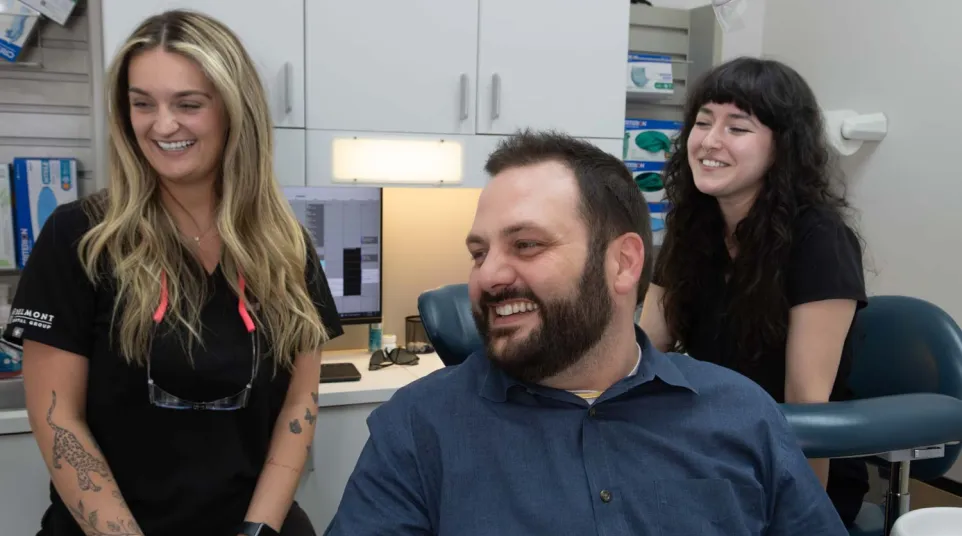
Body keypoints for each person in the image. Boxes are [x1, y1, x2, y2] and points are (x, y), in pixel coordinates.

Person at [324, 130, 847, 535]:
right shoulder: (419, 430)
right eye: (479, 253)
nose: (487, 276)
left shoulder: (740, 414)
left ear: (623, 264)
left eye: (526, 244)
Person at [4, 9, 342, 536]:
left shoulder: (285, 246)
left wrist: (259, 530)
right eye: (143, 104)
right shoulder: (79, 239)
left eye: (188, 104)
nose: (162, 125)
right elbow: (57, 421)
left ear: (234, 110)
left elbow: (300, 403)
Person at [639, 56, 870, 527]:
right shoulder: (692, 229)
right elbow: (641, 352)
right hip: (705, 444)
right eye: (703, 122)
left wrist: (806, 519)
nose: (709, 141)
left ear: (782, 147)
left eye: (737, 128)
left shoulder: (819, 240)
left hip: (789, 465)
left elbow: (806, 410)